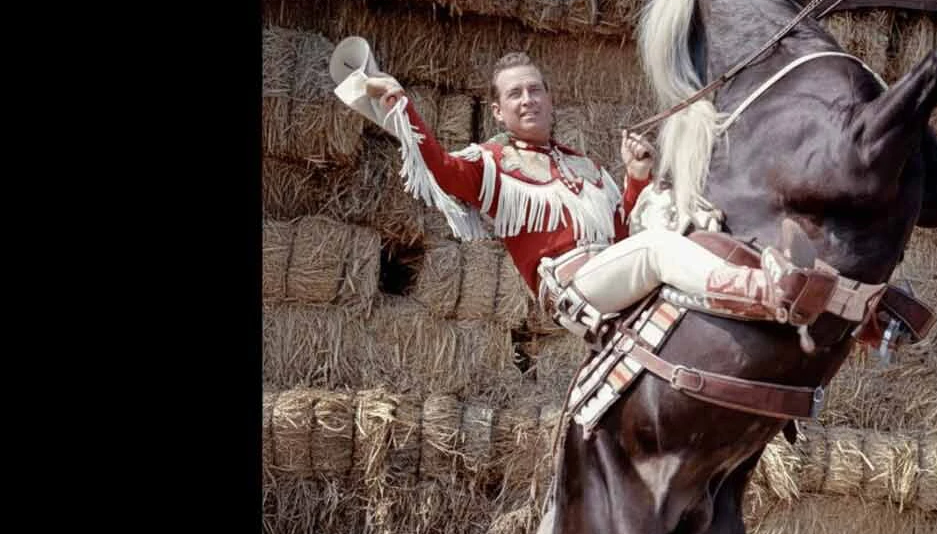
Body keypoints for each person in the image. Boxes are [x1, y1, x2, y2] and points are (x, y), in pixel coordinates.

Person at [328, 37, 818, 342]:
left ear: (550, 98)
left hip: (613, 268)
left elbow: (622, 237)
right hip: (573, 292)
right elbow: (436, 166)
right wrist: (402, 105)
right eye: (515, 94)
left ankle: (794, 285)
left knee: (684, 219)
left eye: (535, 89)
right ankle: (768, 290)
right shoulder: (489, 165)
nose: (527, 99)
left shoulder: (585, 167)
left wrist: (635, 178)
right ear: (498, 111)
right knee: (658, 248)